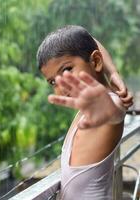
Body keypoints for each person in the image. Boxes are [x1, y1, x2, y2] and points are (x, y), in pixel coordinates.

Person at [36, 25, 131, 199]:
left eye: (66, 70)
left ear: (95, 61)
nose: (62, 85)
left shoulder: (108, 104)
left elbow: (115, 114)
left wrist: (111, 111)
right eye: (52, 82)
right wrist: (113, 73)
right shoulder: (85, 111)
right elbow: (89, 40)